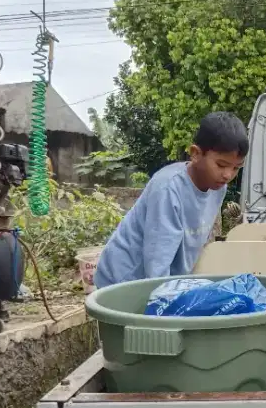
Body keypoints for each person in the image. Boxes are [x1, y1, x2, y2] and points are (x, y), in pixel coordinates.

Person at [93, 112, 248, 289]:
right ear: (196, 154)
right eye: (221, 165)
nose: (228, 175)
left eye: (236, 168)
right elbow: (156, 266)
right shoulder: (168, 189)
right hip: (125, 281)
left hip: (162, 280)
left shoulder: (218, 188)